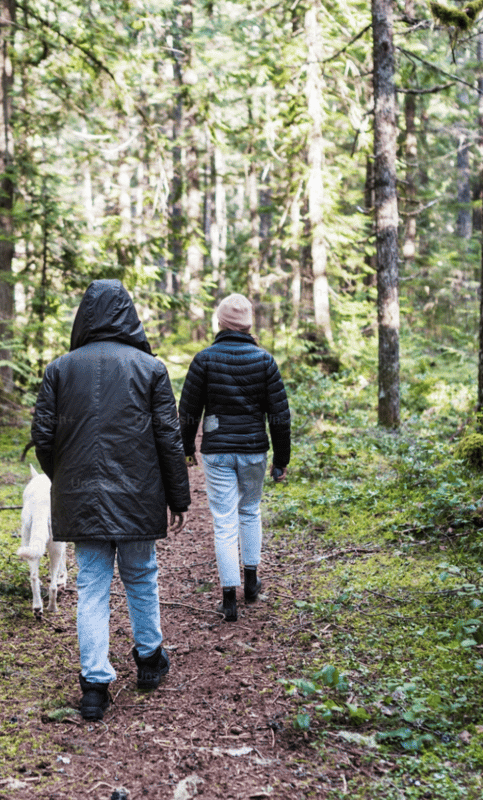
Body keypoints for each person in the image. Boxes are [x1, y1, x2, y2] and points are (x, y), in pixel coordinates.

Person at [31, 280, 191, 721]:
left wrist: (64, 477)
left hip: (80, 496)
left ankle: (95, 687)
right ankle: (148, 660)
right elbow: (168, 439)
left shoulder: (59, 369)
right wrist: (178, 497)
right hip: (139, 496)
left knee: (93, 588)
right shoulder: (150, 368)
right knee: (141, 576)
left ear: (84, 316)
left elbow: (43, 438)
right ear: (129, 315)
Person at [178, 293, 291, 623]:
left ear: (220, 322)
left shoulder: (204, 360)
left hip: (216, 452)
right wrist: (280, 460)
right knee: (250, 510)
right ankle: (252, 582)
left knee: (224, 521)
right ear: (248, 324)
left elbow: (187, 412)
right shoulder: (265, 360)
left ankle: (229, 599)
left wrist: (186, 450)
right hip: (255, 450)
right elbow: (280, 417)